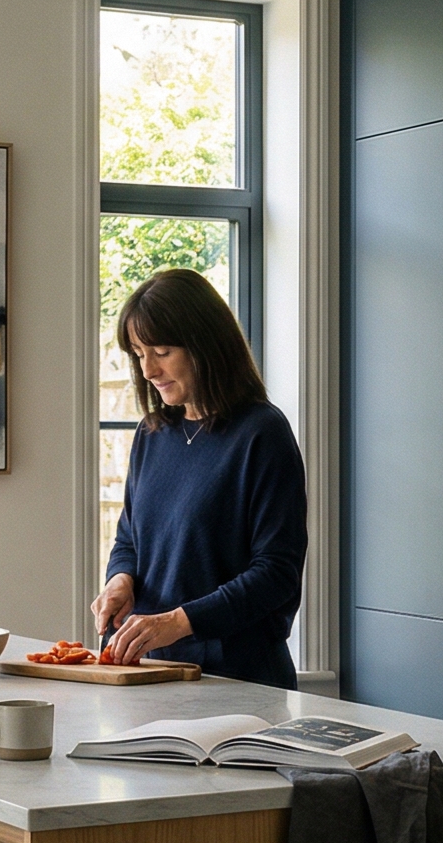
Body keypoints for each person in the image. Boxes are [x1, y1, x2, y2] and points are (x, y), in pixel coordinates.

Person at [93, 267, 308, 689]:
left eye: (162, 351)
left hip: (239, 679)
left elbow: (276, 573)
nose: (148, 369)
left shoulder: (262, 433)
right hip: (150, 674)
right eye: (138, 353)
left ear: (206, 345)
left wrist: (179, 622)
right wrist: (121, 580)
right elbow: (129, 540)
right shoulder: (152, 434)